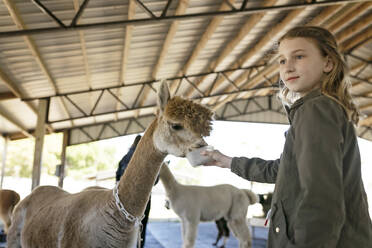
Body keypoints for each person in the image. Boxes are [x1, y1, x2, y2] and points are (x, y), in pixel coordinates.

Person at [201, 26, 372, 247]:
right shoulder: (316, 111)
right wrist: (229, 162)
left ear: (328, 63)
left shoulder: (315, 111)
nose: (288, 66)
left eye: (299, 56)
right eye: (282, 60)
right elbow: (282, 170)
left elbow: (321, 197)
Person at [116, 134, 157, 248]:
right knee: (141, 227)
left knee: (124, 227)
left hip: (124, 199)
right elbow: (155, 179)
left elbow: (117, 177)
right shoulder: (146, 157)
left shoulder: (124, 157)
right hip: (143, 199)